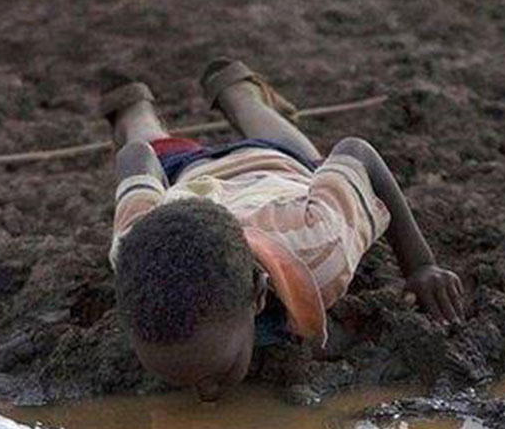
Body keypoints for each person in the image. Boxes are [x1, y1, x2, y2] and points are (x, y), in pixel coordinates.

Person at [102, 58, 464, 401]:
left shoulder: (319, 247)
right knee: (144, 137)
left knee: (302, 157)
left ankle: (235, 94)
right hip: (191, 176)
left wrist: (420, 266)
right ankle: (137, 109)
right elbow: (134, 156)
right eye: (173, 377)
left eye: (218, 371)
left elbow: (359, 153)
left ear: (259, 294)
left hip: (274, 168)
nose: (206, 394)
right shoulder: (133, 249)